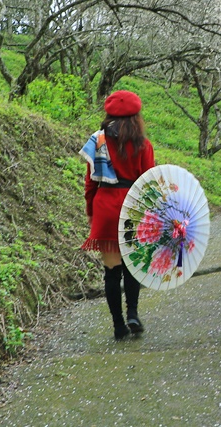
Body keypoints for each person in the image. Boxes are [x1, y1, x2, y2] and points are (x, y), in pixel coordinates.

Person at [80, 90, 155, 340]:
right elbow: (148, 182)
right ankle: (133, 313)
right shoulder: (144, 145)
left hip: (106, 207)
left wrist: (91, 211)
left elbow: (91, 182)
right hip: (133, 205)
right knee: (132, 267)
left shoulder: (97, 141)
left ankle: (118, 325)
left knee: (112, 270)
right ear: (136, 117)